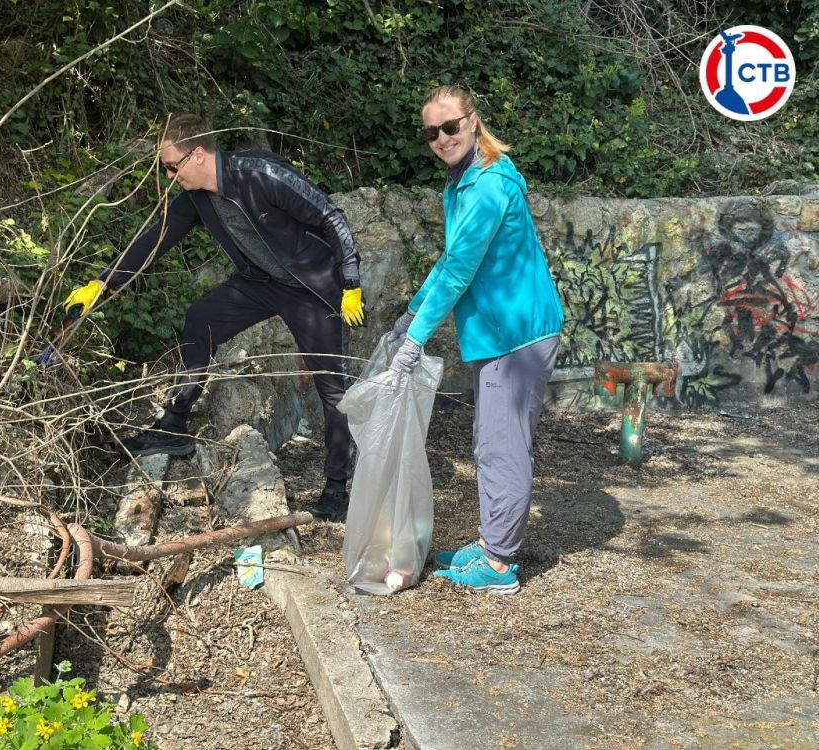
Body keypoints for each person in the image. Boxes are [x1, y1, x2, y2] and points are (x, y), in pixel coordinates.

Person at [63, 114, 365, 522]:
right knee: (201, 319)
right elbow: (157, 237)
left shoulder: (262, 175)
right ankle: (174, 425)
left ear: (199, 154)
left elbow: (332, 217)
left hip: (313, 288)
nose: (169, 175)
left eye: (173, 166)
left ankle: (336, 489)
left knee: (333, 390)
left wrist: (350, 282)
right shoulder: (196, 197)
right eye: (164, 168)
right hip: (261, 282)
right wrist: (103, 283)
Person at [388, 86, 564, 594]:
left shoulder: (485, 186)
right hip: (501, 332)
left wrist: (414, 340)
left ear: (472, 121)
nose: (441, 138)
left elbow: (460, 268)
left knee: (501, 447)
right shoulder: (464, 180)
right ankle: (493, 541)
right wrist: (413, 312)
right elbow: (452, 260)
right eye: (431, 132)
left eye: (449, 126)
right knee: (491, 441)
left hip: (517, 334)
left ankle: (499, 563)